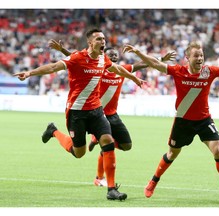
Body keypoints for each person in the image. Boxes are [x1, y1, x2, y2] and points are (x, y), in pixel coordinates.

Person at [123, 41, 219, 201]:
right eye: (196, 55)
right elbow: (154, 63)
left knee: (218, 151)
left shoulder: (209, 72)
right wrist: (138, 52)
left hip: (204, 120)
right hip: (183, 122)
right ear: (187, 58)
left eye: (201, 55)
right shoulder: (178, 71)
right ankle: (153, 181)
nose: (200, 58)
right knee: (172, 154)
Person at [13, 28, 145, 201]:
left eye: (104, 39)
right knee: (79, 153)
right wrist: (30, 73)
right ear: (90, 42)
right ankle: (53, 131)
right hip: (77, 113)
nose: (103, 41)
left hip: (97, 111)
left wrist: (134, 78)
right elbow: (54, 67)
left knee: (108, 141)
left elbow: (118, 69)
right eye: (99, 39)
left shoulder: (103, 59)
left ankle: (111, 189)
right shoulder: (76, 58)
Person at [48, 39, 176, 187]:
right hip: (96, 114)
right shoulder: (97, 69)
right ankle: (99, 176)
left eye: (116, 55)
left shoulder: (121, 70)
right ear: (103, 56)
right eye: (111, 55)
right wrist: (62, 50)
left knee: (127, 145)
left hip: (113, 115)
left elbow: (142, 64)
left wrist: (161, 60)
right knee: (102, 146)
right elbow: (77, 60)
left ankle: (97, 141)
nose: (114, 57)